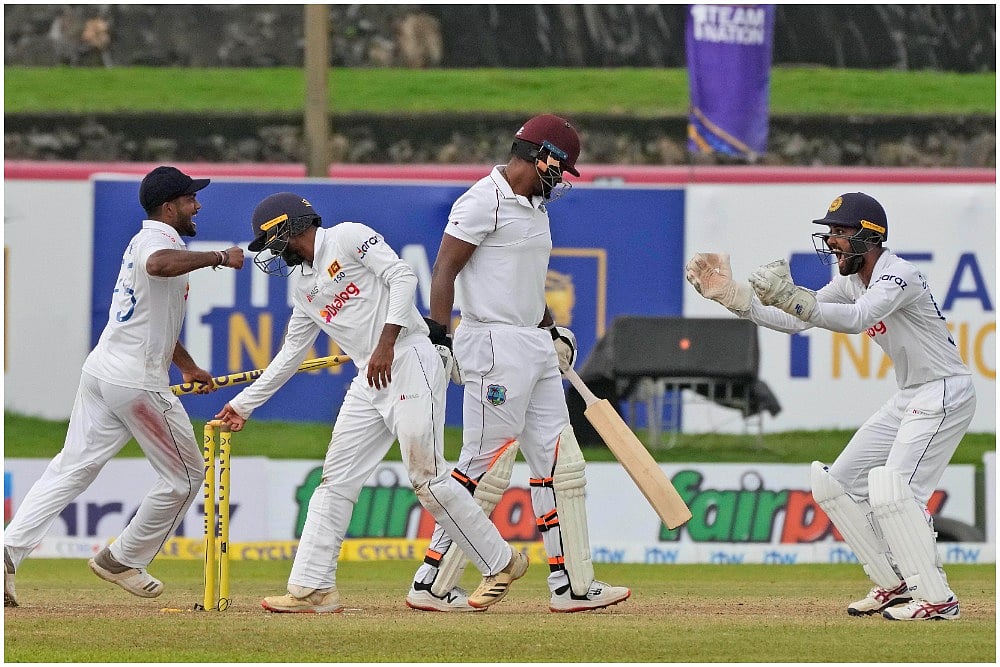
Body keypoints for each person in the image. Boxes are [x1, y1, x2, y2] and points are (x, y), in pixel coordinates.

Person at [213, 192, 527, 614]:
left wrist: (386, 342)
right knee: (334, 482)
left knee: (427, 477)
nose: (274, 253)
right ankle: (313, 588)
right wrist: (243, 405)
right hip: (371, 377)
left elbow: (403, 277)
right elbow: (290, 355)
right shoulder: (304, 288)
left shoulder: (347, 237)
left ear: (291, 228)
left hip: (412, 355)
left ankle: (502, 562)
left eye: (274, 242)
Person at [686, 191, 975, 621]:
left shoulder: (900, 276)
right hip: (911, 394)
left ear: (869, 237)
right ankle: (893, 582)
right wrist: (736, 298)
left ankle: (936, 598)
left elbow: (858, 319)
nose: (832, 241)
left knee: (896, 490)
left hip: (944, 391)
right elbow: (796, 320)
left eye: (840, 232)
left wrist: (797, 299)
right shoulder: (849, 281)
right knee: (836, 484)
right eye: (830, 233)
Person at [407, 114, 631, 613]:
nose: (561, 179)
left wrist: (549, 329)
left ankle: (570, 586)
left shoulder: (535, 208)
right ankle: (430, 582)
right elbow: (445, 268)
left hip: (532, 345)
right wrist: (441, 338)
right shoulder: (482, 199)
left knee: (556, 464)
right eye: (562, 168)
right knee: (478, 469)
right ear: (543, 156)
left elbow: (528, 282)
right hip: (493, 347)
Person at [3, 166, 244, 607]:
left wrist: (187, 367)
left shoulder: (146, 237)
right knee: (186, 477)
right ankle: (122, 558)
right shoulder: (159, 243)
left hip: (103, 372)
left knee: (71, 469)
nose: (198, 205)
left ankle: (6, 554)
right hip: (136, 384)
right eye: (191, 199)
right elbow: (159, 265)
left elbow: (154, 320)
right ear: (170, 207)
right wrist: (218, 257)